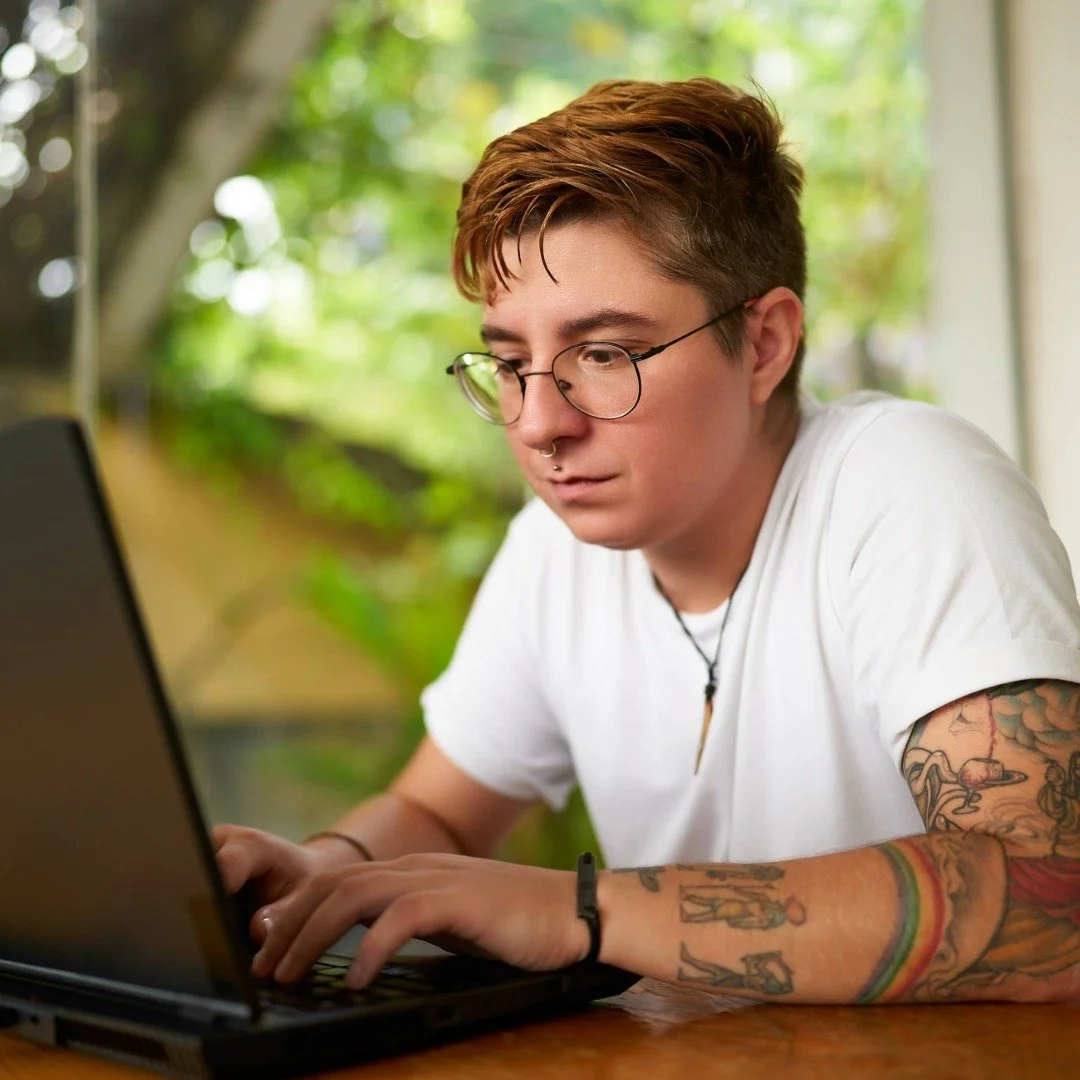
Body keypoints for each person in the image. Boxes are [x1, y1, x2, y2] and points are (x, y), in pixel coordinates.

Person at [213, 77, 1080, 1004]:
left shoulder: (908, 483)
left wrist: (586, 914)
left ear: (764, 343)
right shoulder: (555, 551)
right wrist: (323, 868)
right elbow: (439, 811)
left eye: (605, 354)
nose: (540, 424)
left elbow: (1054, 902)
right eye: (510, 364)